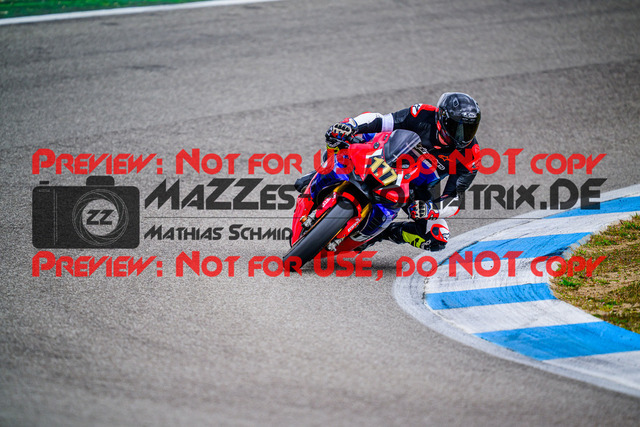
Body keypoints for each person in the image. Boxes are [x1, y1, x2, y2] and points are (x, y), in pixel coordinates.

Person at [297, 92, 482, 251]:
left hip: (414, 188)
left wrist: (431, 209)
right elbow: (383, 121)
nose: (463, 135)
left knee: (438, 238)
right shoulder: (423, 114)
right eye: (457, 126)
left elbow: (455, 197)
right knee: (341, 136)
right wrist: (351, 125)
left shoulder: (470, 155)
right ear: (442, 117)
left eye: (469, 129)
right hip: (384, 154)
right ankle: (322, 171)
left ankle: (380, 234)